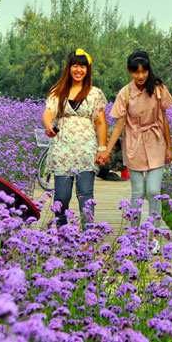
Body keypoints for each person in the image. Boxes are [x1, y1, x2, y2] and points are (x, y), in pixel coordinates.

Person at [98, 50, 172, 228]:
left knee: (154, 190)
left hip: (156, 142)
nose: (140, 76)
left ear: (149, 70)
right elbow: (118, 125)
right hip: (133, 144)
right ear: (129, 71)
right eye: (136, 72)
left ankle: (156, 234)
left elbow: (164, 119)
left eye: (144, 71)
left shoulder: (158, 89)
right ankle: (134, 235)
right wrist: (106, 151)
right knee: (137, 193)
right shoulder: (125, 93)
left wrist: (169, 148)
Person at [42, 48, 108, 229]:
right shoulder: (58, 90)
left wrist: (102, 149)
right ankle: (62, 233)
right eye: (75, 65)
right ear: (69, 68)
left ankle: (87, 236)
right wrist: (48, 125)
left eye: (83, 66)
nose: (79, 70)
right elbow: (48, 113)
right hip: (62, 148)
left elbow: (101, 123)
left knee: (85, 194)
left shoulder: (95, 93)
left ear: (88, 70)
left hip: (86, 149)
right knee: (62, 196)